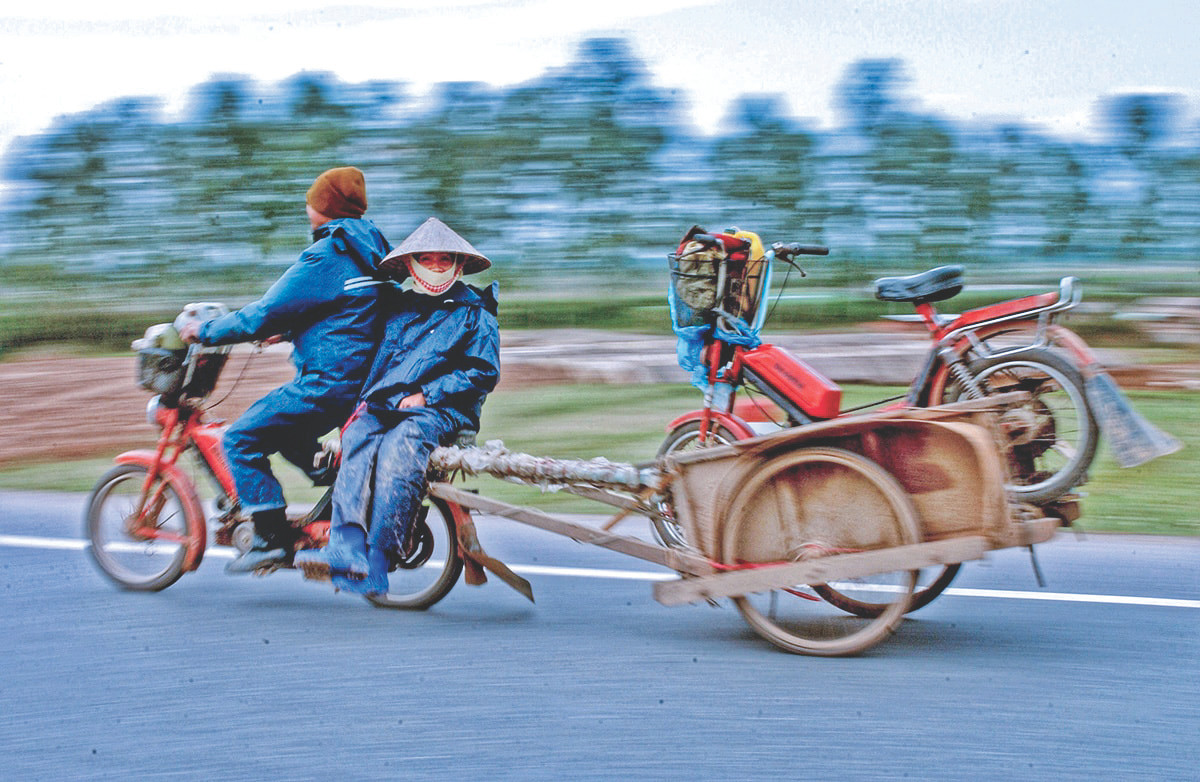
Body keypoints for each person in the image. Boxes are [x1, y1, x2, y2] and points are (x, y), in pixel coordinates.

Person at [179, 166, 393, 574]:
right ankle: (329, 474)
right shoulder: (370, 250)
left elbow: (261, 313)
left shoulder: (326, 256)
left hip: (330, 384)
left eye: (311, 201)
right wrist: (293, 330)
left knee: (242, 437)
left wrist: (202, 332)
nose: (307, 207)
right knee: (285, 426)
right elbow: (351, 313)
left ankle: (270, 538)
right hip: (362, 379)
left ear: (324, 207)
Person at [294, 217, 500, 595]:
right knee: (357, 435)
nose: (436, 266)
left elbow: (482, 372)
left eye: (444, 259)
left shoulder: (476, 313)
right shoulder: (397, 307)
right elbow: (350, 333)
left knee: (399, 446)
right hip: (386, 404)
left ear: (458, 264)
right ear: (410, 264)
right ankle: (346, 545)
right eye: (427, 258)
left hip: (441, 411)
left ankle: (379, 557)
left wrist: (428, 394)